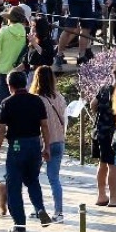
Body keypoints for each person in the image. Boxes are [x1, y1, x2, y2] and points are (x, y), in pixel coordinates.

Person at [0, 69, 52, 232]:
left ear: (9, 85)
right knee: (32, 180)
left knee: (14, 186)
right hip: (34, 144)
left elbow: (1, 130)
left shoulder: (7, 103)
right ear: (25, 83)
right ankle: (39, 208)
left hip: (17, 146)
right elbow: (45, 126)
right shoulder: (37, 101)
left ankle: (19, 225)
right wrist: (46, 146)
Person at [31, 66, 67, 223]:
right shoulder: (59, 97)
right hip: (58, 141)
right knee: (54, 178)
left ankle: (38, 208)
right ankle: (58, 212)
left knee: (33, 177)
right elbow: (65, 119)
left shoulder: (35, 99)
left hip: (41, 143)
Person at [91, 62, 116, 208]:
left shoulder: (104, 88)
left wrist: (102, 114)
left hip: (99, 132)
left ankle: (101, 195)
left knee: (102, 163)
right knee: (113, 165)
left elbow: (93, 105)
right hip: (113, 134)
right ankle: (113, 198)